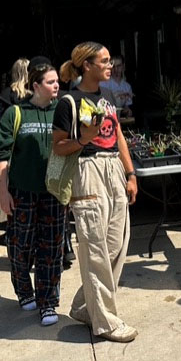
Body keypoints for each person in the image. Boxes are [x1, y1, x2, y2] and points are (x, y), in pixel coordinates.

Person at [52, 43, 139, 343]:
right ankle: (106, 322)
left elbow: (118, 137)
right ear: (86, 65)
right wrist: (83, 138)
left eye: (110, 60)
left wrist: (130, 173)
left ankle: (84, 306)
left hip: (113, 169)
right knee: (95, 250)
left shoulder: (107, 99)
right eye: (103, 61)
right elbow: (58, 147)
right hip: (87, 172)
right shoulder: (69, 102)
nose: (110, 65)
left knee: (116, 244)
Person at [0, 61, 66, 326]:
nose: (56, 85)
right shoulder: (16, 113)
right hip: (22, 191)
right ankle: (24, 290)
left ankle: (48, 302)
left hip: (54, 192)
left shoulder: (63, 110)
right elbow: (0, 154)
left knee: (52, 248)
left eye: (57, 80)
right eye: (50, 82)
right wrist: (3, 191)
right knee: (20, 245)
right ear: (35, 85)